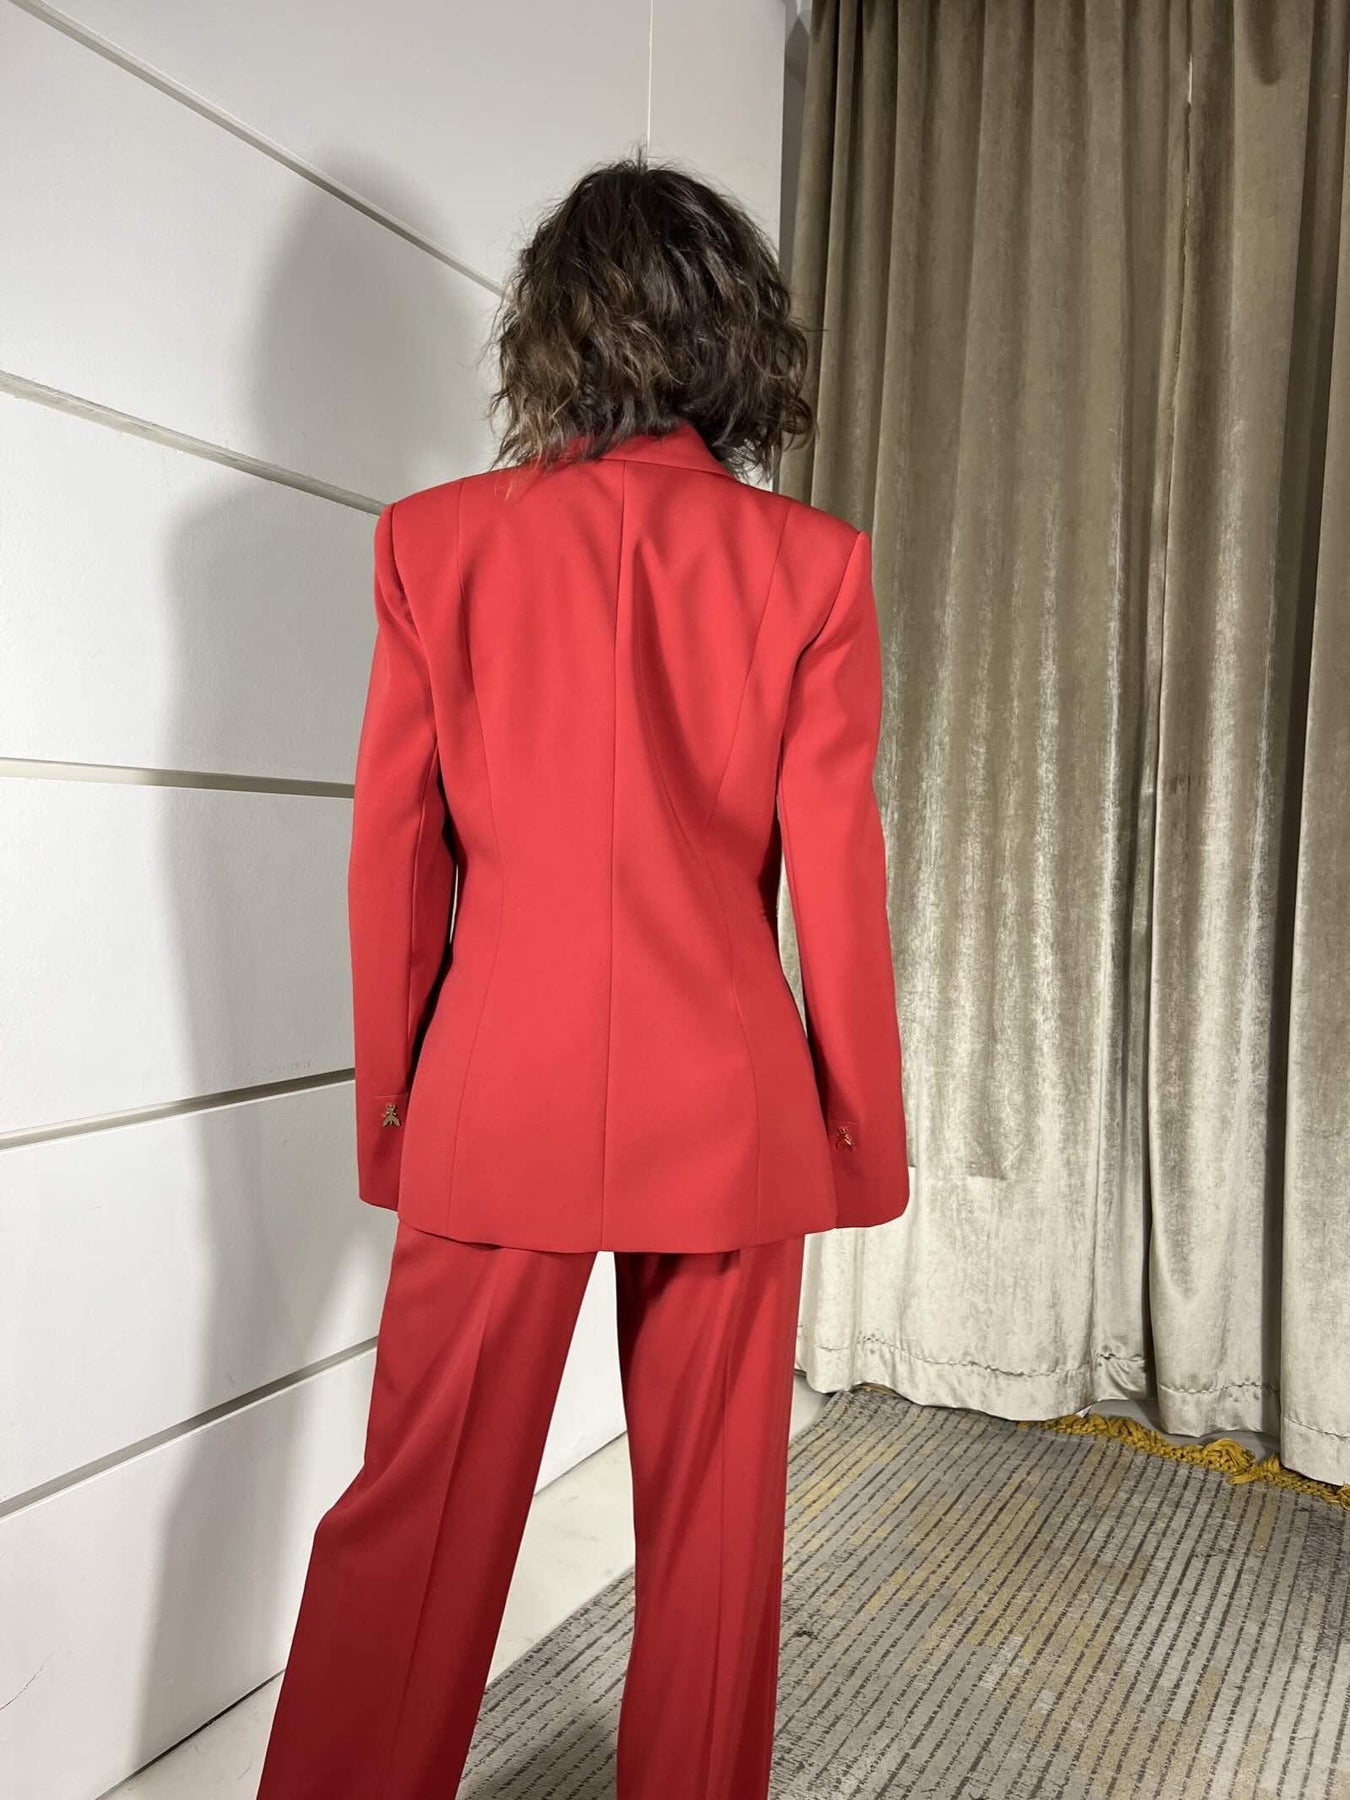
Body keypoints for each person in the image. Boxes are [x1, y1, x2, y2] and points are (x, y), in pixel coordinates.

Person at [256, 150, 908, 1800]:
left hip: (496, 1092)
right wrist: (854, 1142)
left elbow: (396, 861)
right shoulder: (811, 566)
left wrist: (399, 1110)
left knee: (413, 1520)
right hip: (732, 1108)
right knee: (714, 1542)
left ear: (551, 330)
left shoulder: (433, 546)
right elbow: (836, 883)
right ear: (735, 337)